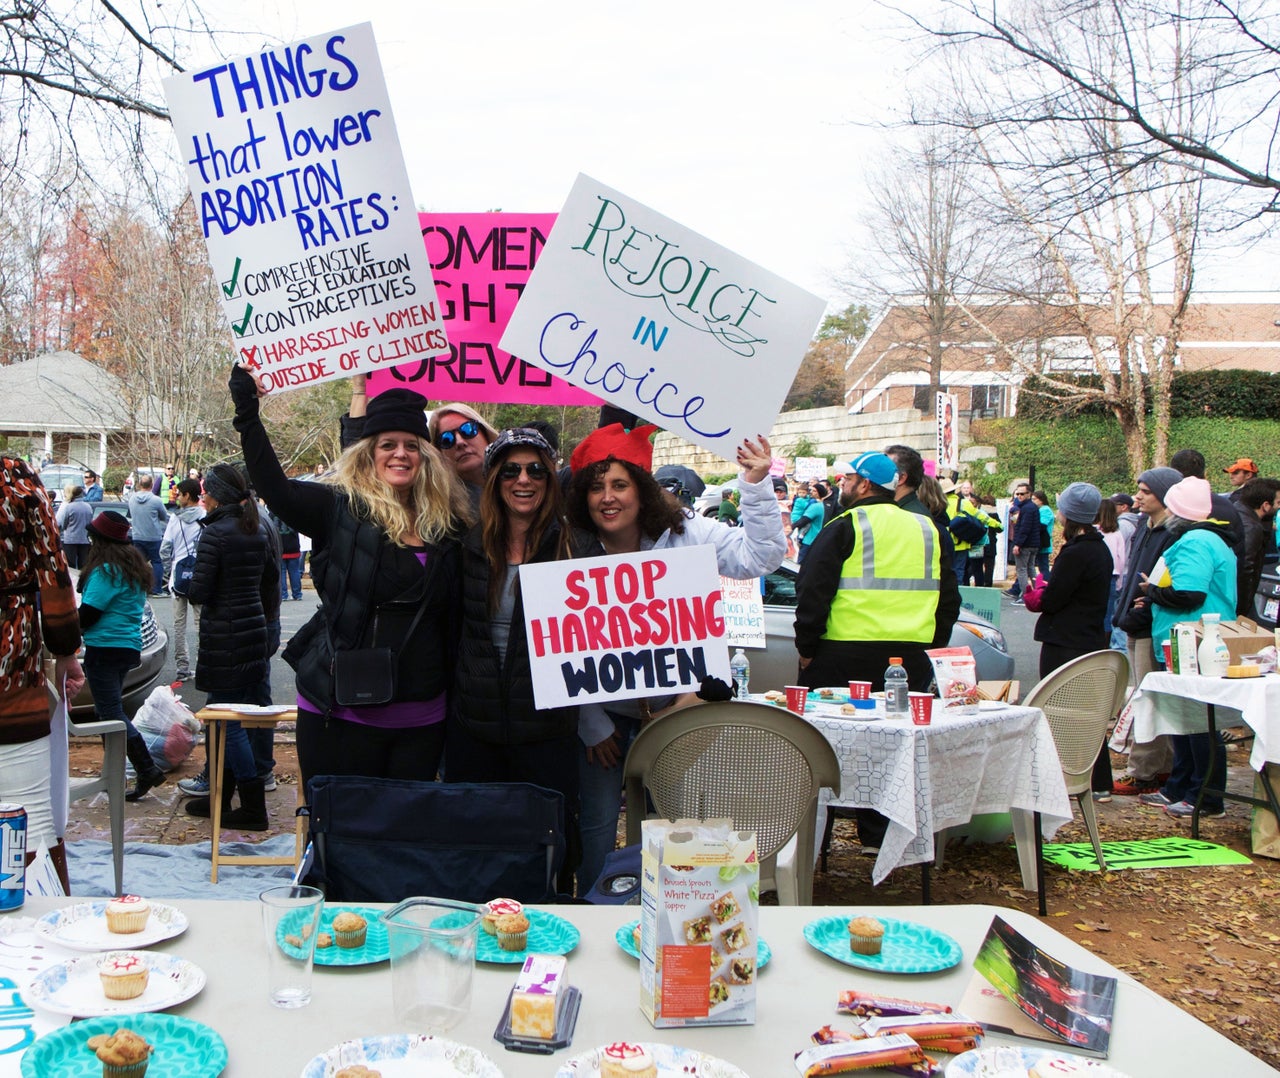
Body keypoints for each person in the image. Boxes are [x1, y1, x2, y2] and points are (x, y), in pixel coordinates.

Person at [566, 422, 786, 892]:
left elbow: (761, 557)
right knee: (597, 825)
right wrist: (592, 723)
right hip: (603, 719)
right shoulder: (572, 549)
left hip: (677, 714)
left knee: (676, 826)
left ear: (642, 491)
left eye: (620, 484)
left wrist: (755, 485)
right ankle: (593, 909)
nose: (608, 497)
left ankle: (678, 913)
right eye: (597, 486)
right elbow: (565, 647)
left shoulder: (689, 532)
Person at [230, 366, 468, 791]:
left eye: (412, 445)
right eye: (387, 445)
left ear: (425, 456)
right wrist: (248, 409)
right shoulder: (339, 509)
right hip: (341, 714)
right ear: (368, 453)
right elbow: (274, 486)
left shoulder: (448, 524)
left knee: (401, 840)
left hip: (424, 717)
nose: (400, 454)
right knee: (335, 838)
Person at [794, 451, 961, 853]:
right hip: (910, 657)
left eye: (848, 478)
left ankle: (814, 841)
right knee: (891, 749)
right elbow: (949, 599)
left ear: (865, 484)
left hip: (842, 654)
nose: (842, 485)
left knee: (823, 747)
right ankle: (878, 836)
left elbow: (812, 591)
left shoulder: (846, 524)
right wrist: (931, 645)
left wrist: (807, 649)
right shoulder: (930, 529)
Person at [446, 428, 592, 883]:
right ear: (494, 479)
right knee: (476, 850)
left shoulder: (577, 548)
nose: (523, 480)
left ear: (550, 479)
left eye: (535, 470)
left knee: (550, 852)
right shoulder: (464, 545)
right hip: (475, 729)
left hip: (548, 730)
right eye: (511, 470)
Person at [0, 456, 85, 892]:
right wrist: (66, 650)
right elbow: (53, 573)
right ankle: (42, 930)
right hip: (11, 671)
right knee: (25, 816)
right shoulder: (13, 480)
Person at [180, 464, 278, 830]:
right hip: (253, 629)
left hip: (226, 636)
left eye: (206, 492)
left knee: (227, 721)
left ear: (218, 495)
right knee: (233, 715)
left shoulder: (216, 534)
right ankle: (220, 798)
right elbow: (270, 581)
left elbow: (201, 591)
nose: (202, 497)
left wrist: (188, 585)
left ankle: (252, 807)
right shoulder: (256, 528)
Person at [1136, 476, 1237, 820]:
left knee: (1197, 721)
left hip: (1193, 639)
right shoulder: (1206, 539)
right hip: (1187, 637)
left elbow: (1188, 593)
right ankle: (1180, 786)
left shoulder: (1195, 541)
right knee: (1184, 718)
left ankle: (1204, 795)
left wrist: (1151, 592)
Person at [1021, 483, 1114, 798]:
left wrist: (1039, 594)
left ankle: (1065, 776)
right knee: (1088, 712)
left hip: (1066, 640)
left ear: (1069, 515)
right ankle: (1096, 779)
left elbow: (1055, 598)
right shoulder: (1099, 547)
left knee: (1059, 710)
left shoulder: (1076, 552)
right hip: (1088, 636)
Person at [77, 511, 168, 801]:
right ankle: (116, 772)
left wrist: (60, 626)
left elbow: (88, 614)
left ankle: (146, 769)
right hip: (126, 647)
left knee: (111, 714)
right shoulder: (131, 566)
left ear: (100, 541)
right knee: (107, 711)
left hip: (105, 649)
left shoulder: (106, 570)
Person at [1110, 467, 1183, 795]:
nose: (1137, 496)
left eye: (1145, 491)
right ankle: (1162, 766)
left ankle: (1143, 770)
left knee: (1148, 698)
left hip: (1152, 624)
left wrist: (1143, 606)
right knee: (1150, 695)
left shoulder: (1172, 533)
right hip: (1134, 620)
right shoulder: (1144, 526)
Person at [159, 479, 205, 682]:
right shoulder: (206, 517)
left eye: (179, 494)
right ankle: (203, 665)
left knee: (179, 625)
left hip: (178, 578)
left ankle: (182, 667)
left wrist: (168, 573)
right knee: (201, 623)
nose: (177, 497)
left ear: (188, 495)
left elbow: (164, 549)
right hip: (200, 577)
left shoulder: (174, 519)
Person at [1235, 477, 1280, 619]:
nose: (1279, 507)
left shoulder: (1237, 513)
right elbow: (1245, 569)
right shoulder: (1252, 528)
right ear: (1265, 505)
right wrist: (1243, 607)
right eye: (1278, 503)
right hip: (1237, 604)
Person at [1095, 497, 1128, 651]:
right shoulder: (1116, 533)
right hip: (1113, 575)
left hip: (1097, 575)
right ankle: (1105, 646)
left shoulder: (1094, 531)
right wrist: (1120, 580)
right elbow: (1121, 558)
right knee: (1108, 614)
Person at [125, 474, 168, 595]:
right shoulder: (156, 500)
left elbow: (130, 515)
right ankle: (156, 589)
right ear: (152, 485)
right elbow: (164, 516)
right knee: (157, 562)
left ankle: (138, 588)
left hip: (137, 535)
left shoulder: (132, 499)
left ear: (139, 485)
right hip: (154, 536)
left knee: (139, 564)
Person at [1007, 482, 1038, 603]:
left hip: (1025, 544)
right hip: (1033, 543)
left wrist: (1018, 544)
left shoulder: (1026, 509)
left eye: (1022, 494)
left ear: (1029, 494)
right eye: (1017, 494)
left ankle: (1025, 596)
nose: (1019, 496)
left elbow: (1024, 528)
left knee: (1022, 570)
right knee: (1031, 569)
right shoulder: (1031, 507)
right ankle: (1037, 591)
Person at [55, 485, 93, 569]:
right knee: (83, 564)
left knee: (70, 564)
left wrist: (65, 529)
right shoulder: (88, 507)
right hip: (84, 539)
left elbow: (64, 522)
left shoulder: (69, 506)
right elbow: (90, 522)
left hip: (70, 539)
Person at [1032, 490, 1054, 579]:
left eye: (1034, 499)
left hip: (1043, 542)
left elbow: (1042, 524)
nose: (1032, 501)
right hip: (1040, 542)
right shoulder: (1040, 509)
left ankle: (1046, 584)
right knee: (1042, 566)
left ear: (1041, 500)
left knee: (1043, 566)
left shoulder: (1045, 510)